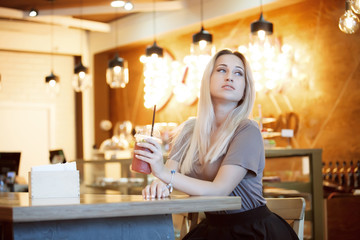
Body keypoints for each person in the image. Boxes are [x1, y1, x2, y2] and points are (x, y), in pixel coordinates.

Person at [134, 49, 299, 239]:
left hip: (252, 229)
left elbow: (219, 190)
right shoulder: (189, 130)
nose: (230, 77)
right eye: (222, 70)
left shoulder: (247, 130)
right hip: (212, 228)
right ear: (208, 79)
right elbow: (168, 176)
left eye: (238, 73)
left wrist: (162, 173)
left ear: (245, 87)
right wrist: (159, 184)